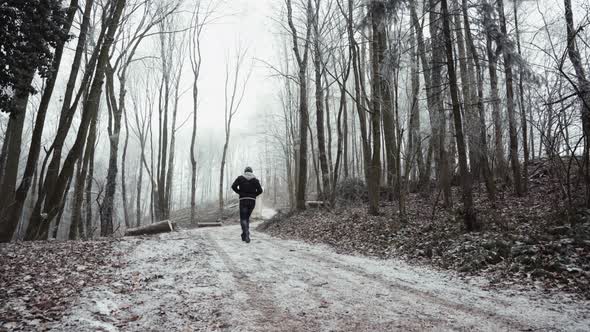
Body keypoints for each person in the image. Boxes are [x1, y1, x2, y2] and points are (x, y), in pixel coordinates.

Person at [231, 166, 263, 243]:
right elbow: (260, 190)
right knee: (247, 218)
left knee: (243, 218)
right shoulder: (255, 180)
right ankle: (245, 235)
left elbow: (233, 186)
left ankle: (246, 234)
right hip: (252, 201)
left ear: (245, 171)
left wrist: (240, 192)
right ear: (251, 172)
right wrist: (254, 195)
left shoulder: (240, 178)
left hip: (243, 200)